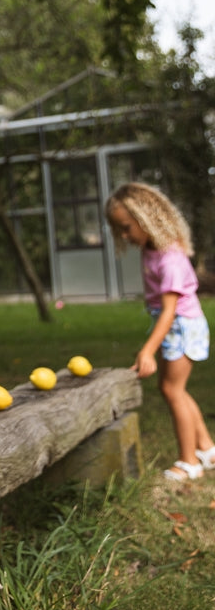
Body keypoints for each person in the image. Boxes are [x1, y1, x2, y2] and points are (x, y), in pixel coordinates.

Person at [105, 181, 215, 482]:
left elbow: (170, 311)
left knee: (172, 390)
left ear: (147, 218)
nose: (125, 236)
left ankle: (188, 461)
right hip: (174, 326)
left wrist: (147, 350)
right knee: (175, 389)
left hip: (181, 327)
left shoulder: (170, 258)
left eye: (127, 228)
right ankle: (206, 448)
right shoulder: (153, 248)